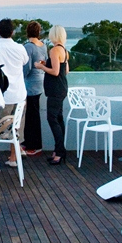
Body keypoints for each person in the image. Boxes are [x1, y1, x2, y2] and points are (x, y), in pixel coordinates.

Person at [0, 18, 28, 166]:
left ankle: (11, 155)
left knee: (0, 128)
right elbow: (25, 61)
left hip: (2, 94)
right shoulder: (20, 48)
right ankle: (14, 155)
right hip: (19, 93)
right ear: (12, 32)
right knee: (16, 127)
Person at [35, 25, 69, 165]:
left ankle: (59, 151)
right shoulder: (64, 50)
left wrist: (41, 67)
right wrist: (47, 64)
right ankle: (59, 150)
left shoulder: (54, 50)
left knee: (53, 119)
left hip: (55, 89)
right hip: (62, 88)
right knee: (59, 119)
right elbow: (65, 70)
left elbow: (55, 72)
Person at [21, 21, 47, 156]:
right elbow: (44, 62)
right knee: (33, 113)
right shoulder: (43, 46)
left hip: (30, 84)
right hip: (40, 82)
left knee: (31, 116)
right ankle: (30, 142)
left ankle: (34, 145)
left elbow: (27, 66)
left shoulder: (28, 47)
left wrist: (21, 78)